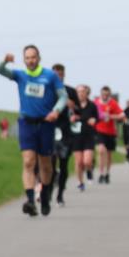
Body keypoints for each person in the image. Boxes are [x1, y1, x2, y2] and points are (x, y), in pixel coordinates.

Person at [0, 45, 67, 217]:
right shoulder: (21, 75)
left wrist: (55, 111)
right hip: (26, 122)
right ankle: (29, 200)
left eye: (33, 57)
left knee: (45, 164)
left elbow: (63, 96)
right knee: (28, 161)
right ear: (24, 59)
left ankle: (44, 194)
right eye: (27, 58)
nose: (30, 61)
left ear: (39, 58)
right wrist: (5, 61)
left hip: (45, 124)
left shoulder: (50, 76)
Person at [49, 63, 78, 207]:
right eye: (55, 74)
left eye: (60, 74)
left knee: (64, 163)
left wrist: (73, 107)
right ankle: (48, 192)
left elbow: (79, 110)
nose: (58, 77)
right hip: (51, 129)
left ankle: (60, 194)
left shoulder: (71, 91)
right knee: (51, 164)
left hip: (65, 131)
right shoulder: (48, 89)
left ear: (64, 75)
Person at [92, 86, 124, 184]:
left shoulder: (113, 103)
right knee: (101, 151)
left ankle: (107, 173)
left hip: (110, 132)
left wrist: (110, 116)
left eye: (106, 94)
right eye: (103, 94)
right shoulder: (96, 102)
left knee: (109, 155)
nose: (105, 96)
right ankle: (101, 173)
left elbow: (122, 115)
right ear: (100, 94)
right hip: (99, 131)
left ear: (109, 94)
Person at [71, 85, 99, 192]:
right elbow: (69, 117)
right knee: (79, 162)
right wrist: (72, 118)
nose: (81, 94)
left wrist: (94, 120)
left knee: (87, 161)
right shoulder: (73, 106)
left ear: (87, 93)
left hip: (88, 136)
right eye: (79, 92)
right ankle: (80, 182)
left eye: (83, 91)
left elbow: (96, 118)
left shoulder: (92, 106)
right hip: (76, 136)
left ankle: (89, 170)